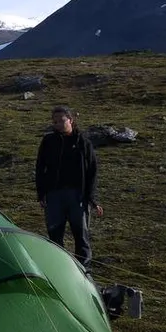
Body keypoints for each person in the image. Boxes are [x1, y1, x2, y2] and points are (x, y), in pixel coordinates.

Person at [35, 105, 103, 272]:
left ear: (71, 120)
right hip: (54, 195)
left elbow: (92, 171)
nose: (58, 124)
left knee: (81, 235)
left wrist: (91, 198)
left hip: (77, 196)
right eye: (55, 122)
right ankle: (58, 269)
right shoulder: (48, 142)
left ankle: (84, 271)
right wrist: (41, 193)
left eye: (61, 120)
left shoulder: (83, 143)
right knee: (54, 235)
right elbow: (40, 168)